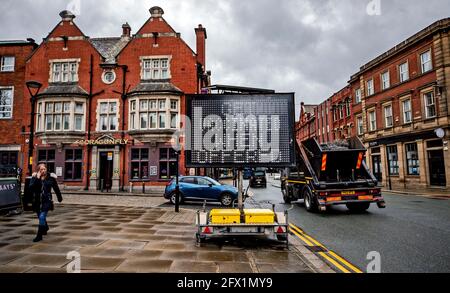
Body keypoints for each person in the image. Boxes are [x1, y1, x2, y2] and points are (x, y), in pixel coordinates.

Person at [29, 163, 63, 242]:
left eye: (44, 169)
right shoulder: (34, 178)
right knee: (40, 217)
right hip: (37, 201)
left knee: (41, 217)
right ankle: (45, 227)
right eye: (41, 169)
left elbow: (56, 188)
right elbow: (31, 188)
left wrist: (59, 197)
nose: (43, 171)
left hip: (46, 200)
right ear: (38, 170)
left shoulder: (51, 178)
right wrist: (37, 178)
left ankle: (39, 236)